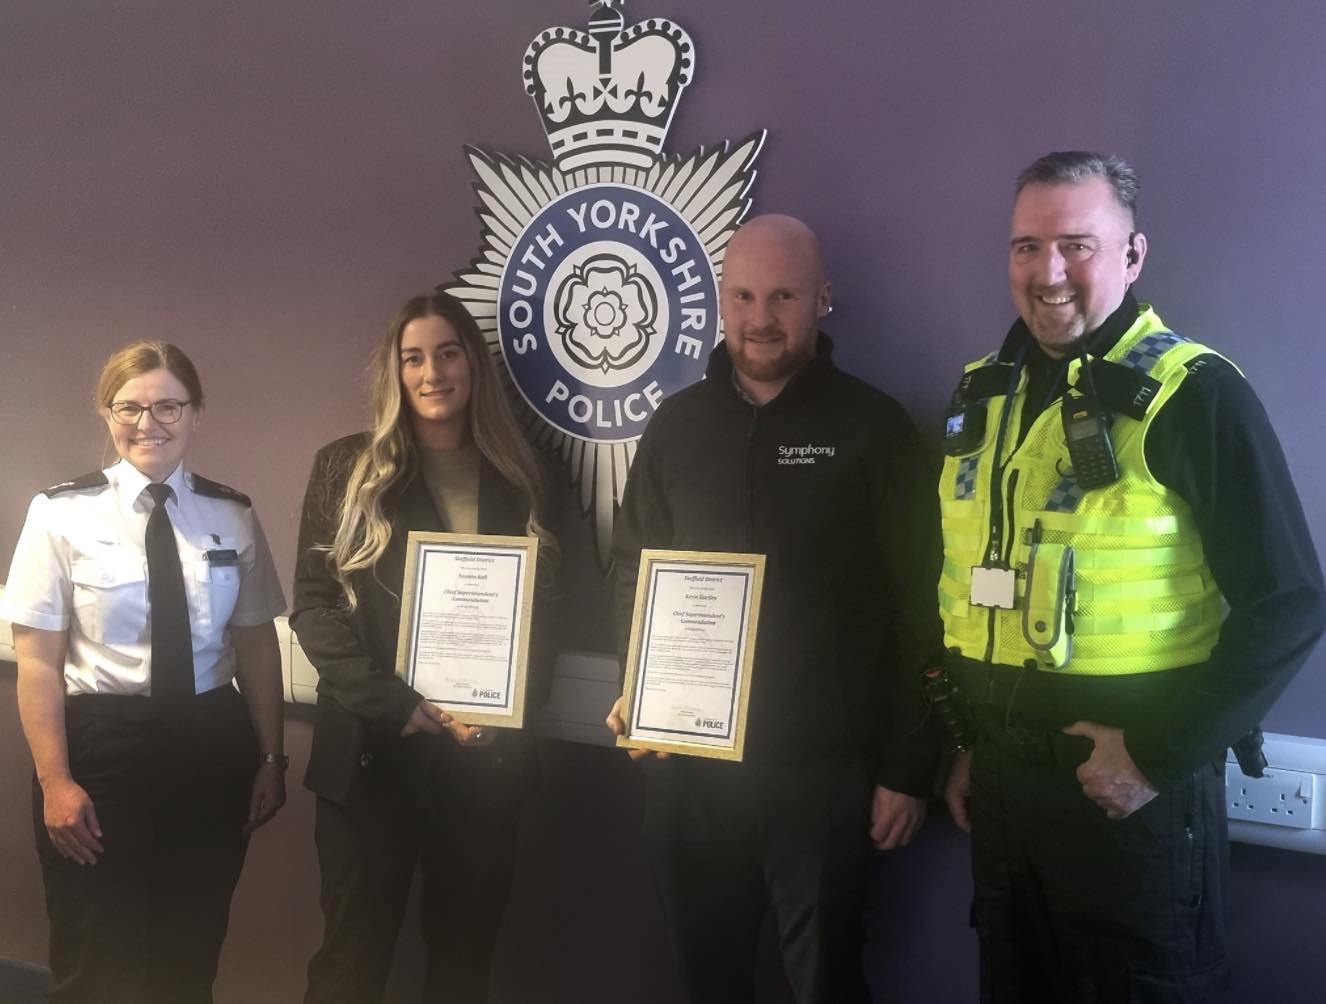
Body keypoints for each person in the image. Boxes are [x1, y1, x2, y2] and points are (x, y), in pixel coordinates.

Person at [938, 151, 1326, 1002]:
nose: (1048, 272)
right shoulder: (982, 394)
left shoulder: (1194, 393)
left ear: (1133, 255)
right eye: (1027, 246)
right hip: (1003, 788)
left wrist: (1154, 757)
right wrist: (972, 742)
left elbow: (1292, 601)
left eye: (1076, 245)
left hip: (1134, 800)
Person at [606, 214, 944, 1003]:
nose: (761, 318)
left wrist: (908, 768)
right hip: (688, 773)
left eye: (784, 296)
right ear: (721, 300)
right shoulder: (676, 426)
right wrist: (641, 684)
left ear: (822, 299)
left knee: (827, 985)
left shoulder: (874, 428)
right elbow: (632, 569)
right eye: (744, 296)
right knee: (707, 982)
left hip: (822, 780)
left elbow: (922, 606)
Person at [292, 290, 559, 1004]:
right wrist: (396, 705)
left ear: (473, 364)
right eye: (413, 358)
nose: (432, 373)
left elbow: (549, 619)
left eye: (447, 354)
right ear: (395, 371)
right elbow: (314, 610)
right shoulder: (346, 467)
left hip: (482, 764)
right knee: (350, 963)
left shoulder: (526, 474)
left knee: (463, 965)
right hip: (370, 758)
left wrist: (505, 708)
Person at [1, 340, 287, 1004]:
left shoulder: (232, 515)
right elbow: (38, 663)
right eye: (128, 407)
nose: (147, 423)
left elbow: (256, 646)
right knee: (95, 954)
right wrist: (55, 782)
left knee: (189, 951)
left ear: (196, 413)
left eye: (167, 407)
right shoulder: (60, 514)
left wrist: (272, 758)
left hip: (211, 747)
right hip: (103, 749)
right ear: (106, 413)